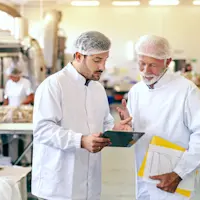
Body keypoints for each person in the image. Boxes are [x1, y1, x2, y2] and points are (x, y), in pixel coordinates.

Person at [32, 31, 132, 200]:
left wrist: (116, 129)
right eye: (97, 60)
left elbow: (104, 122)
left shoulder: (97, 88)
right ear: (79, 56)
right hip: (58, 184)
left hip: (89, 183)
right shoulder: (54, 85)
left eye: (105, 60)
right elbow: (42, 130)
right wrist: (80, 140)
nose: (102, 67)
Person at [117, 35, 200, 200]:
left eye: (153, 65)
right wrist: (127, 128)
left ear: (168, 62)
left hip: (176, 179)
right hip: (144, 177)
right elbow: (137, 132)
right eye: (142, 63)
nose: (146, 71)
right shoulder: (137, 91)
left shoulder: (186, 91)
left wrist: (178, 173)